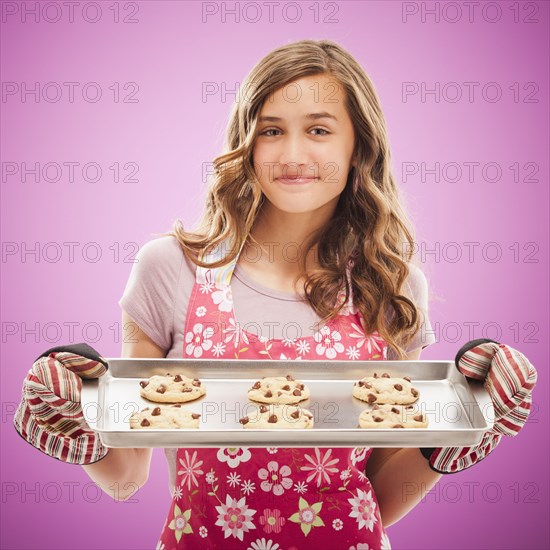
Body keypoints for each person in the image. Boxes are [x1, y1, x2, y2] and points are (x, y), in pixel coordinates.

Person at [13, 39, 537, 550]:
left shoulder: (391, 286)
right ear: (247, 141)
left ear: (358, 147)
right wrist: (77, 431)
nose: (291, 154)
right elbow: (126, 479)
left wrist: (448, 439)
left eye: (318, 130)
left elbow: (376, 496)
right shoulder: (171, 268)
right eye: (271, 130)